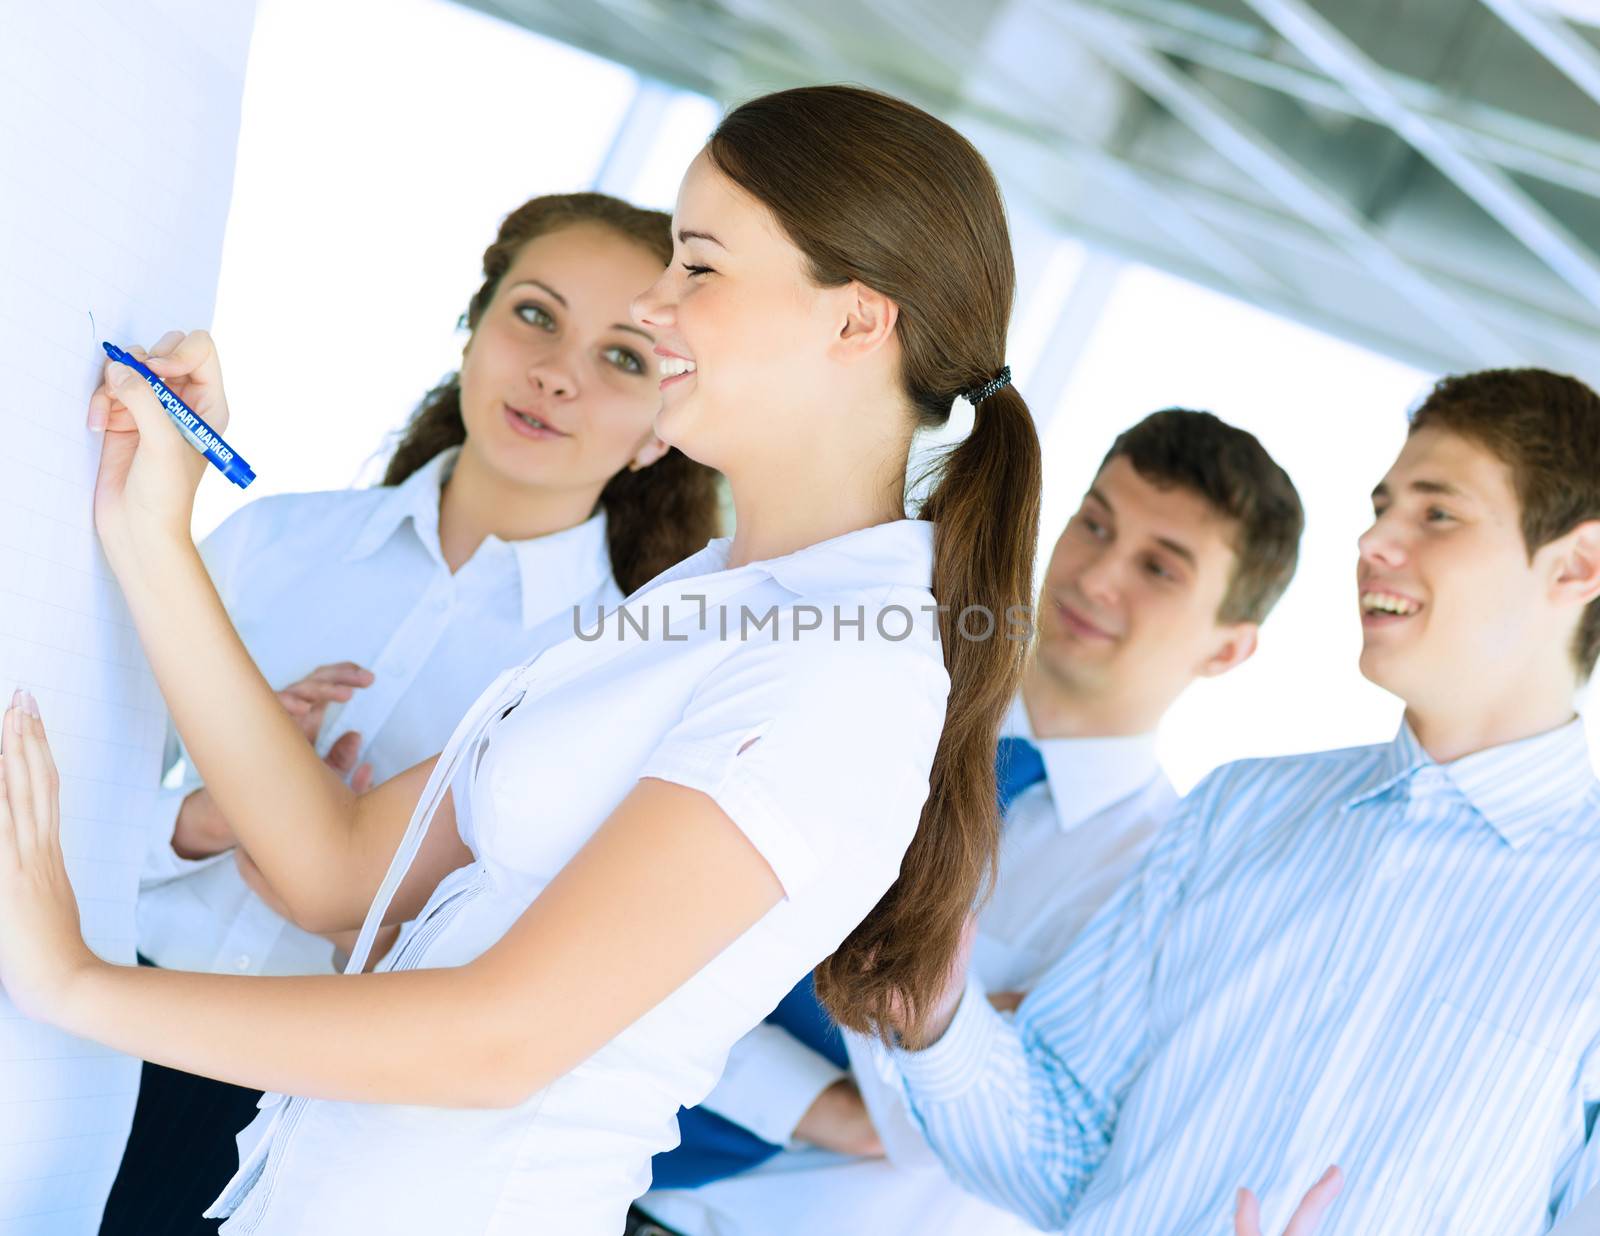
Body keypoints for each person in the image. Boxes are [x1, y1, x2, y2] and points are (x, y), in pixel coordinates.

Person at [0, 85, 1044, 1235]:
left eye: (698, 266)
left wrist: (76, 985)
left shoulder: (843, 669)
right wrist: (149, 527)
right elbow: (338, 868)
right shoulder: (700, 605)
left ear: (855, 321)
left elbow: (504, 1040)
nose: (655, 305)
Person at [95, 191, 722, 1235]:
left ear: (669, 426)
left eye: (624, 358)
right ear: (472, 329)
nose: (558, 372)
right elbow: (54, 792)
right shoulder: (270, 546)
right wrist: (196, 821)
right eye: (534, 315)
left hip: (302, 1121)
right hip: (93, 1023)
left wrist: (378, 906)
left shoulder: (611, 676)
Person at [889, 368, 1600, 1234]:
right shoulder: (1244, 810)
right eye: (1383, 507)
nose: (1375, 540)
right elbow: (1067, 1156)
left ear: (1580, 565)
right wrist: (939, 1022)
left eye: (1436, 514)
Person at [637, 409, 1306, 1236]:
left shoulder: (1153, 889)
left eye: (1159, 569)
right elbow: (651, 925)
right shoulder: (878, 694)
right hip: (581, 1163)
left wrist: (927, 1058)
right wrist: (836, 1099)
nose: (1097, 576)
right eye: (1094, 524)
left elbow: (963, 1131)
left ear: (1228, 651)